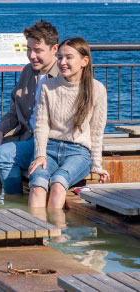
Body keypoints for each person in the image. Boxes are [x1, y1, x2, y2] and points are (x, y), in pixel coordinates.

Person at [0, 20, 60, 194]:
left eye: (38, 50)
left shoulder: (62, 76)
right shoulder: (28, 71)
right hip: (23, 136)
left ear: (54, 49)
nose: (32, 55)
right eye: (29, 49)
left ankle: (14, 202)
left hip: (47, 143)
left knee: (5, 154)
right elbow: (14, 110)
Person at [28, 37, 110, 209]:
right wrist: (40, 154)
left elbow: (96, 130)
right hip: (49, 148)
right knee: (38, 186)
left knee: (58, 184)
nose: (62, 62)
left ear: (84, 61)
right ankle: (37, 232)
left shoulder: (97, 89)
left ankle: (57, 234)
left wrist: (97, 165)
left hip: (78, 152)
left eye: (69, 57)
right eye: (59, 57)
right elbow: (41, 124)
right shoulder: (48, 86)